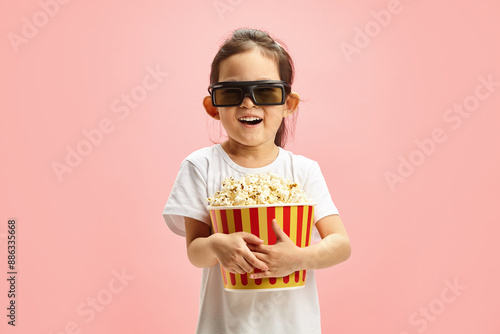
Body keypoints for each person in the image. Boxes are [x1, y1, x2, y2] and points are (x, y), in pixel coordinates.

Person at [163, 28, 351, 334]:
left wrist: (300, 258)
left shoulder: (302, 171)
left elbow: (340, 244)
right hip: (224, 326)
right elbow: (196, 251)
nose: (248, 104)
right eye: (231, 93)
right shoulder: (201, 167)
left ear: (288, 103)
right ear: (213, 106)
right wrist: (217, 244)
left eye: (264, 92)